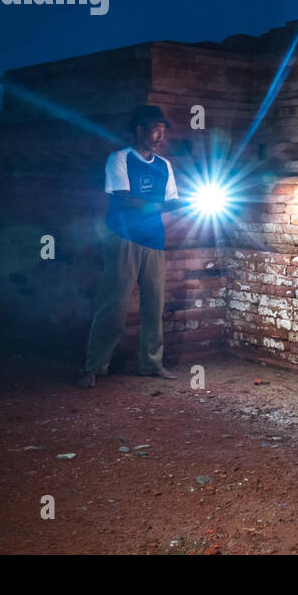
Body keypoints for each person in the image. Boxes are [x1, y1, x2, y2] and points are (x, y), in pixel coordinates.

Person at [76, 105, 183, 387]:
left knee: (154, 305)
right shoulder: (119, 159)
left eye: (162, 129)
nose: (159, 135)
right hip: (123, 237)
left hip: (154, 240)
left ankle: (152, 364)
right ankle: (95, 365)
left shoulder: (164, 166)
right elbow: (124, 198)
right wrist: (161, 205)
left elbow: (174, 201)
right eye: (154, 128)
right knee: (113, 304)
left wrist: (187, 205)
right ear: (139, 129)